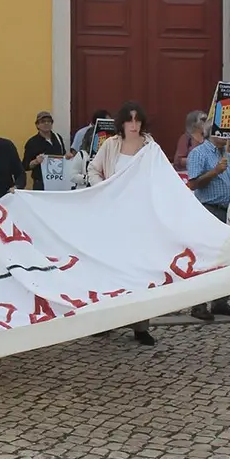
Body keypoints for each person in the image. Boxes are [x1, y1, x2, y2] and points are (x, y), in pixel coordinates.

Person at [87, 102, 158, 346]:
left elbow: (160, 177)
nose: (134, 125)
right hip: (113, 219)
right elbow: (93, 170)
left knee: (140, 273)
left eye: (138, 120)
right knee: (110, 272)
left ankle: (141, 326)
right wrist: (104, 190)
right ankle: (105, 322)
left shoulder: (151, 147)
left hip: (140, 220)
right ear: (122, 123)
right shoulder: (111, 145)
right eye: (130, 120)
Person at [186, 133, 230, 320]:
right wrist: (214, 172)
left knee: (225, 257)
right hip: (208, 209)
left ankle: (220, 301)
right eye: (224, 131)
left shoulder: (228, 154)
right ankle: (199, 304)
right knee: (204, 257)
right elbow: (193, 184)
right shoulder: (199, 153)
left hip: (228, 211)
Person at [22, 111, 73, 190]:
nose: (46, 123)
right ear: (37, 125)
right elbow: (25, 166)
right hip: (41, 183)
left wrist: (67, 157)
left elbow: (62, 156)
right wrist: (36, 161)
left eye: (49, 121)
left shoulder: (58, 138)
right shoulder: (32, 142)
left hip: (58, 181)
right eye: (43, 122)